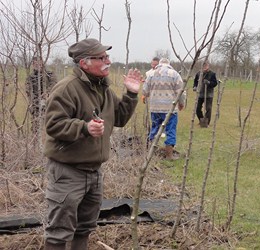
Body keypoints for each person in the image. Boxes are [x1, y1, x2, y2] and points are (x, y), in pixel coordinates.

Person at [43, 38, 141, 250]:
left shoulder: (103, 89)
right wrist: (84, 128)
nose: (107, 60)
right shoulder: (67, 88)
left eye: (107, 56)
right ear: (84, 63)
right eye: (101, 57)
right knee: (59, 232)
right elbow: (53, 125)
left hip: (94, 172)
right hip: (68, 172)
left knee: (84, 228)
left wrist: (131, 94)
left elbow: (120, 118)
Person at [143, 58, 185, 160]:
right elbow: (181, 91)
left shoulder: (151, 74)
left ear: (159, 64)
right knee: (170, 130)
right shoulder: (175, 74)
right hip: (170, 109)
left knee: (155, 128)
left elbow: (145, 90)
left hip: (155, 108)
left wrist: (148, 95)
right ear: (169, 64)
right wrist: (181, 103)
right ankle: (169, 155)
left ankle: (151, 152)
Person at [26, 56, 57, 134]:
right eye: (35, 63)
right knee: (36, 127)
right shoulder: (30, 77)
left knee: (51, 125)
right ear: (33, 64)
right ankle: (36, 143)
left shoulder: (50, 74)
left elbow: (54, 85)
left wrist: (46, 94)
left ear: (42, 63)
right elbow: (28, 91)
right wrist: (34, 102)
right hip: (36, 105)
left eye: (39, 63)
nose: (38, 65)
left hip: (49, 104)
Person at [193, 62, 218, 128]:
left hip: (208, 94)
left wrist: (209, 82)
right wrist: (195, 87)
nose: (205, 67)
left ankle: (207, 123)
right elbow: (195, 82)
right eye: (203, 66)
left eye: (206, 66)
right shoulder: (198, 74)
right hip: (200, 94)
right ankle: (201, 120)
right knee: (197, 108)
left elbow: (215, 83)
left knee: (208, 109)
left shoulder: (212, 74)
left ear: (208, 66)